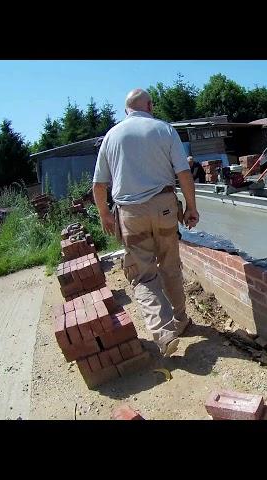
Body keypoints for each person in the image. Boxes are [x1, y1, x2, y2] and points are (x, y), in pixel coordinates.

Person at [92, 88, 200, 357]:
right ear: (149, 106)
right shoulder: (164, 129)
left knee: (142, 274)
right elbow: (183, 172)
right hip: (164, 207)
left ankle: (163, 332)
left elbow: (99, 184)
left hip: (130, 213)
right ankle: (181, 320)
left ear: (126, 109)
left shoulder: (111, 136)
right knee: (170, 265)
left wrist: (105, 214)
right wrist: (191, 207)